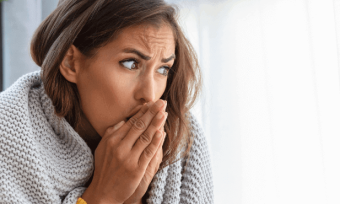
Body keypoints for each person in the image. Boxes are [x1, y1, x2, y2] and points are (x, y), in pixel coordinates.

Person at [0, 0, 213, 203]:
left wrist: (133, 200)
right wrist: (105, 196)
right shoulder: (7, 135)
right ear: (71, 62)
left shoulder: (182, 140)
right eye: (131, 64)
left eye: (163, 69)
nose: (149, 95)